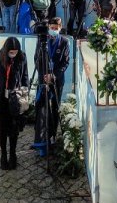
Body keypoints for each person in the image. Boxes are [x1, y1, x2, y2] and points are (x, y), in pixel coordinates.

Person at [34, 17, 73, 152]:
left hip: (56, 79)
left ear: (60, 28)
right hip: (43, 78)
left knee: (55, 107)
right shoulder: (41, 40)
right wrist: (44, 75)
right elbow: (36, 59)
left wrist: (53, 75)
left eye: (56, 28)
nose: (54, 30)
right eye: (52, 28)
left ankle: (53, 135)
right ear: (49, 27)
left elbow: (65, 62)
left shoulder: (64, 42)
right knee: (43, 105)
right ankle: (41, 137)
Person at [0, 37, 28, 169]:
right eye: (11, 52)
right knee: (2, 127)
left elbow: (25, 77)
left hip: (15, 97)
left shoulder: (22, 58)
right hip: (1, 98)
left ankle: (13, 154)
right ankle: (3, 155)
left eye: (15, 52)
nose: (13, 54)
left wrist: (24, 95)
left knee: (14, 128)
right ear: (6, 50)